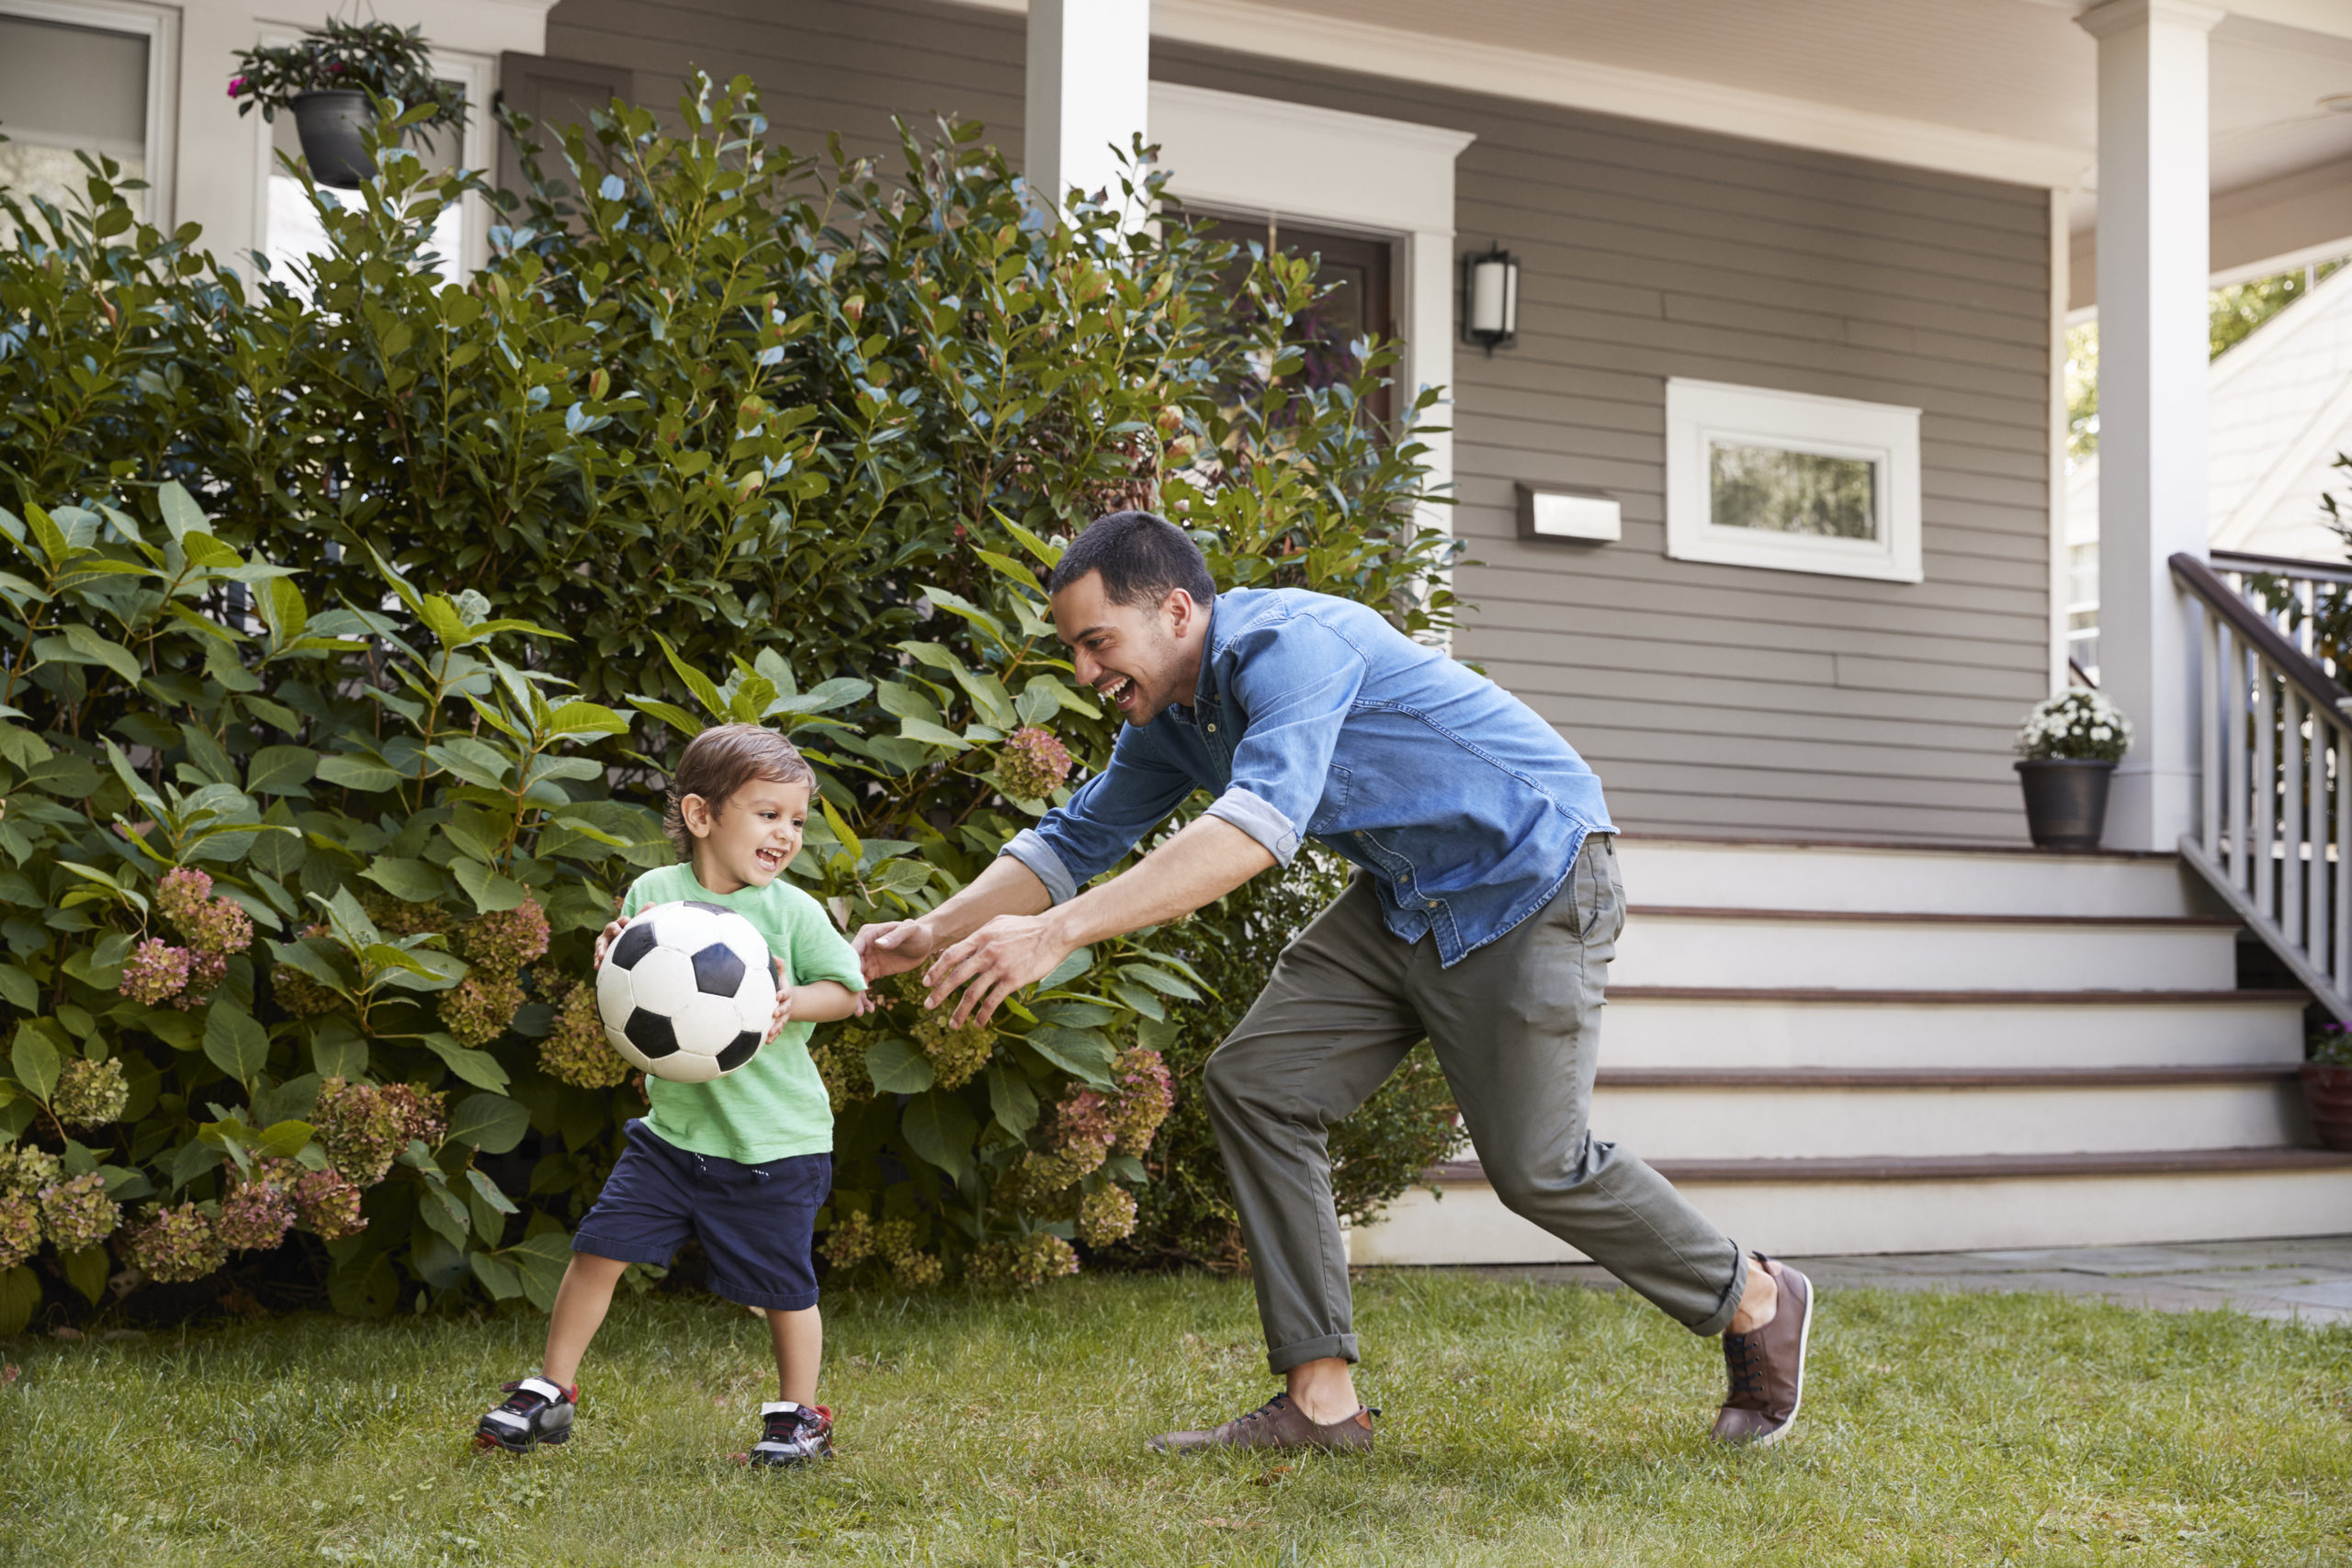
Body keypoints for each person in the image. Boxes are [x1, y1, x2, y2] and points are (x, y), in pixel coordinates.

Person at [854, 511, 1813, 1455]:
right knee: (1258, 1084)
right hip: (1406, 894)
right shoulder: (1171, 720)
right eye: (1074, 650)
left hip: (1534, 875)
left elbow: (1253, 831)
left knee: (1538, 1166)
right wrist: (933, 930)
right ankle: (1320, 1404)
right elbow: (1073, 838)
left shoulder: (1287, 646)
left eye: (1097, 643)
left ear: (1177, 611)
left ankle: (1756, 1297)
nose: (1084, 672)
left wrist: (1057, 933)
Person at [473, 724, 865, 1466]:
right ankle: (552, 1390)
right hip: (673, 1136)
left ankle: (799, 1413)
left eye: (797, 820)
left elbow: (851, 991)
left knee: (785, 1287)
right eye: (768, 813)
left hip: (773, 1142)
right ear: (700, 815)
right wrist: (611, 954)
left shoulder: (791, 911)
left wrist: (794, 1000)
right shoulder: (656, 895)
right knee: (596, 1250)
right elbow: (632, 964)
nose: (785, 834)